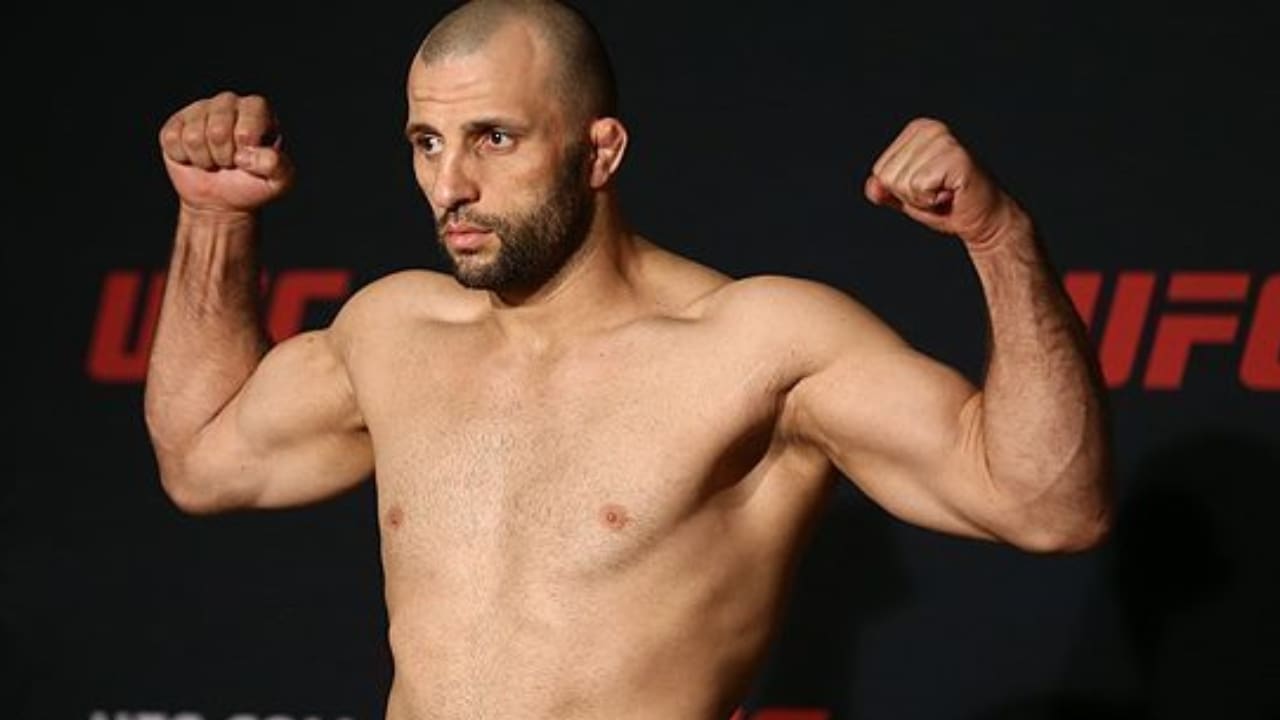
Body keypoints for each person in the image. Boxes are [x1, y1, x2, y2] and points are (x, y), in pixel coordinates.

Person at [145, 0, 1112, 717]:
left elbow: (1049, 506)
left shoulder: (757, 346)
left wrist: (999, 239)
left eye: (493, 138)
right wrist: (212, 218)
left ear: (600, 151)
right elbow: (202, 461)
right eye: (426, 142)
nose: (451, 184)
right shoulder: (393, 331)